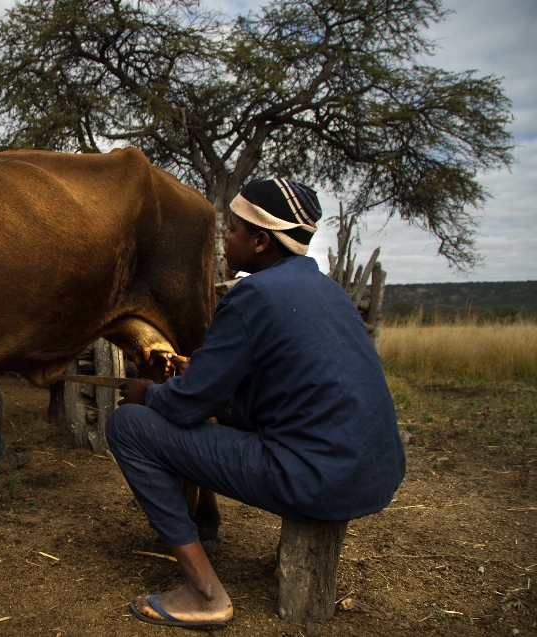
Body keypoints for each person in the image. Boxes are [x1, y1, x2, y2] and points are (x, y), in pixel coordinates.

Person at [106, 178, 406, 629]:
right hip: (374, 473)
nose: (225, 239)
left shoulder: (252, 296)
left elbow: (184, 408)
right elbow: (284, 381)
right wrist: (203, 373)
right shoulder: (328, 292)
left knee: (128, 426)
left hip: (318, 478)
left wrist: (148, 392)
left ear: (261, 241)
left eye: (232, 229)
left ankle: (204, 593)